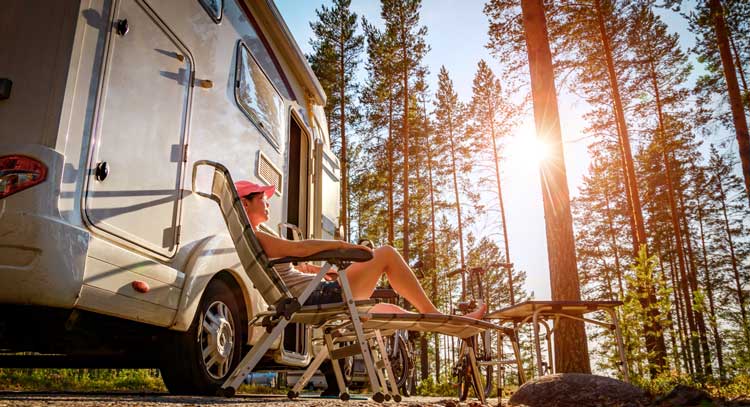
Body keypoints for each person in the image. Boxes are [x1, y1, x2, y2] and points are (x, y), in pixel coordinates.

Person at [235, 180, 487, 320]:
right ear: (245, 204)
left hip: (316, 292)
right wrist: (341, 246)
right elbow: (301, 248)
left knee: (394, 311)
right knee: (386, 253)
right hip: (316, 297)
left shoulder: (261, 237)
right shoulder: (260, 237)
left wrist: (321, 271)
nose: (267, 202)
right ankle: (434, 316)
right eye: (261, 199)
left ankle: (447, 322)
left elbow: (294, 265)